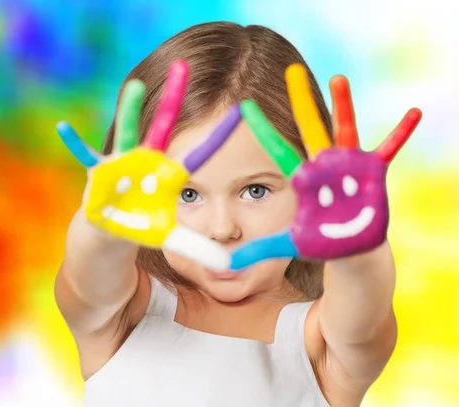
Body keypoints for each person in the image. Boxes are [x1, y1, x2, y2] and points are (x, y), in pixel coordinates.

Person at [55, 21, 403, 406]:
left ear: (310, 193)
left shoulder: (323, 346)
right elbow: (89, 274)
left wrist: (355, 244)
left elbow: (364, 314)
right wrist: (102, 226)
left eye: (256, 191)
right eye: (188, 193)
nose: (222, 229)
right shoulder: (123, 314)